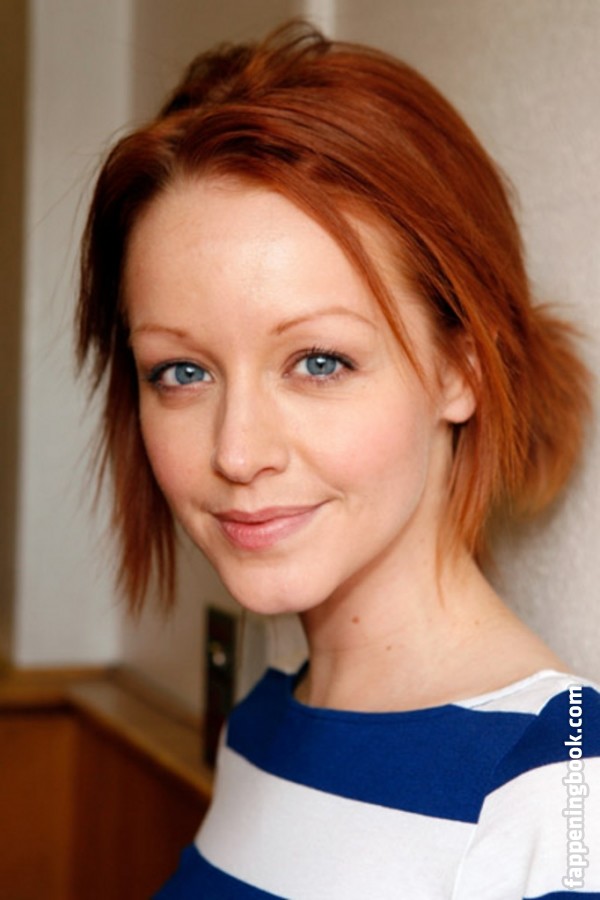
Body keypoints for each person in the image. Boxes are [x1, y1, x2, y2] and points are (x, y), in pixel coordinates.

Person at [77, 20, 600, 899]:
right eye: (182, 372)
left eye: (319, 362)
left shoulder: (558, 791)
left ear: (461, 370)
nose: (237, 452)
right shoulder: (262, 725)